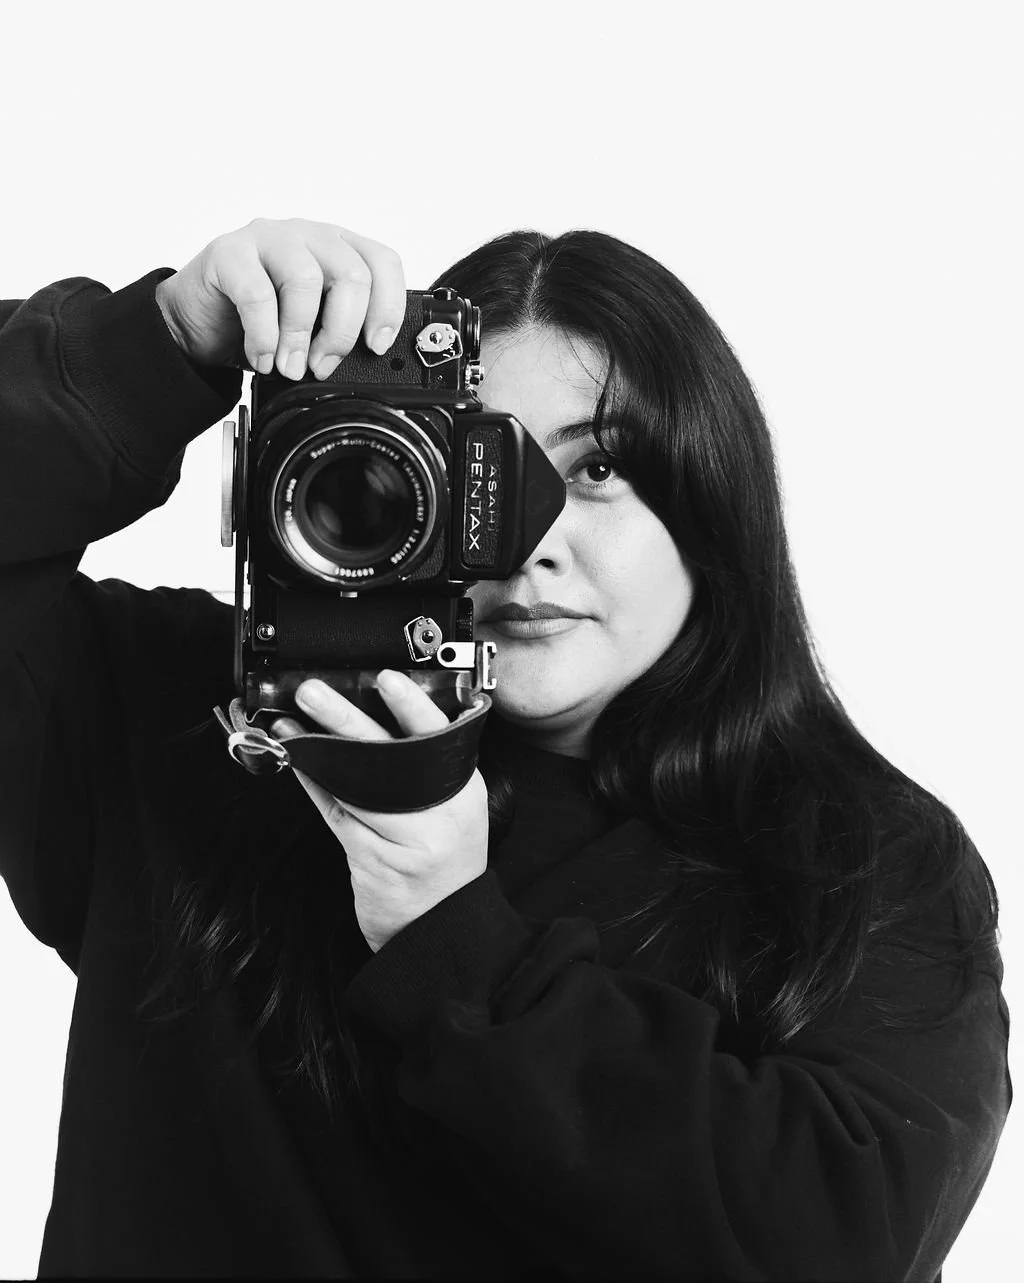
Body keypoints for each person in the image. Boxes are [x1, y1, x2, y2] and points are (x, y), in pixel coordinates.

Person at [0, 217, 1010, 1281]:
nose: (526, 537)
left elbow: (841, 1241)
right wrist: (158, 346)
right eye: (475, 462)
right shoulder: (179, 717)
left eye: (599, 465)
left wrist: (447, 932)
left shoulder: (857, 857)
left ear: (713, 498)